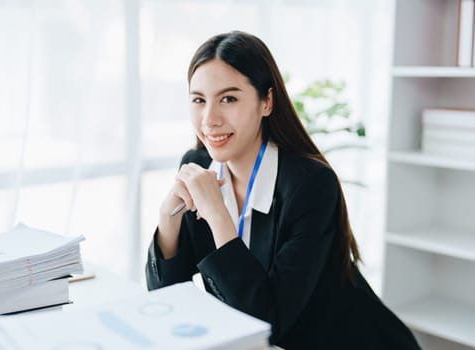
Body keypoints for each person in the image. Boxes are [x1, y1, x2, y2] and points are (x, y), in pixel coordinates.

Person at [145, 30, 420, 349]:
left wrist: (218, 217)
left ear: (267, 102)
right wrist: (168, 219)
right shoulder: (198, 165)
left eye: (229, 98)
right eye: (198, 100)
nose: (209, 119)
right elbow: (167, 298)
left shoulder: (311, 185)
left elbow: (267, 322)